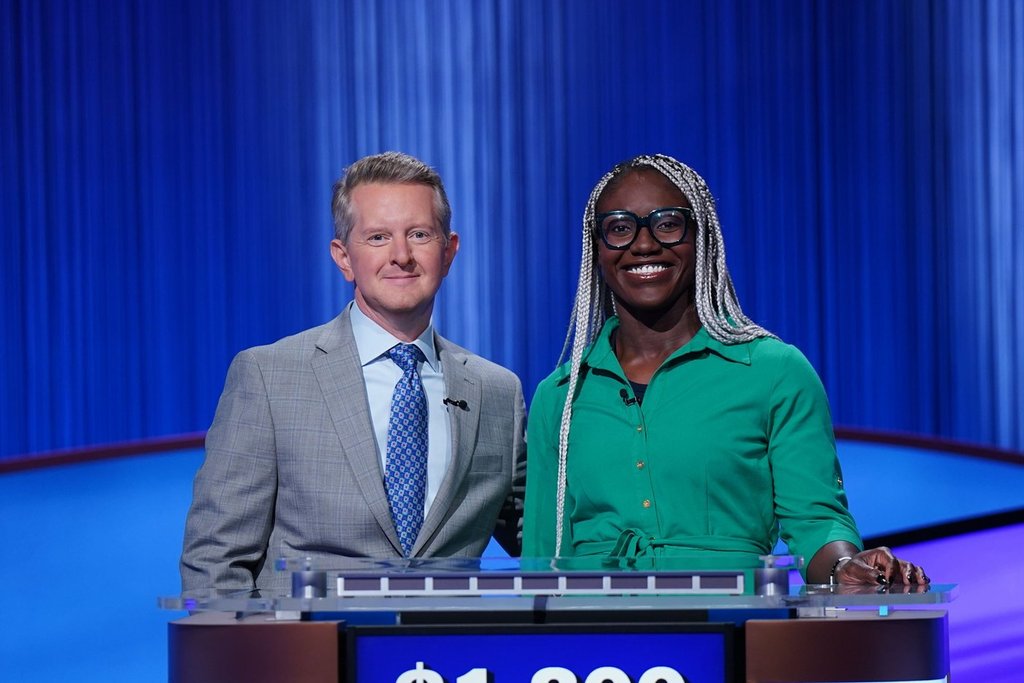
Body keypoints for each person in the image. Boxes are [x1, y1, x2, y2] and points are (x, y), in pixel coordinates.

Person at [523, 153, 927, 586]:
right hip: (598, 626)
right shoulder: (561, 395)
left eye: (667, 224)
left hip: (730, 619)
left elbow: (816, 520)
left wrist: (843, 567)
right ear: (597, 249)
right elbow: (543, 556)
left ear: (703, 239)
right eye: (619, 228)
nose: (643, 245)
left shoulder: (774, 371)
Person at [181, 152, 525, 592]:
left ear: (449, 251)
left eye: (419, 234)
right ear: (343, 258)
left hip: (442, 638)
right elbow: (215, 561)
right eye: (378, 237)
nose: (401, 255)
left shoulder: (497, 393)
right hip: (308, 635)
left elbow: (543, 538)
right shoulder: (269, 377)